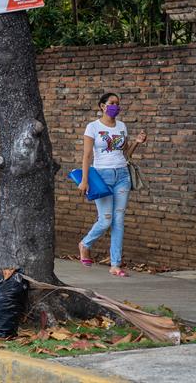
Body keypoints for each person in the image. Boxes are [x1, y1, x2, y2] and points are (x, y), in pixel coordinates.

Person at [77, 92, 147, 277]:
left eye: (118, 103)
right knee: (106, 219)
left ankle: (115, 264)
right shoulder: (92, 127)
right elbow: (87, 156)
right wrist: (84, 180)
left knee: (119, 220)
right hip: (102, 176)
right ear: (102, 106)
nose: (116, 106)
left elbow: (126, 154)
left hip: (122, 175)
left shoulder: (122, 126)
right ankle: (85, 244)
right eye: (112, 103)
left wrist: (137, 143)